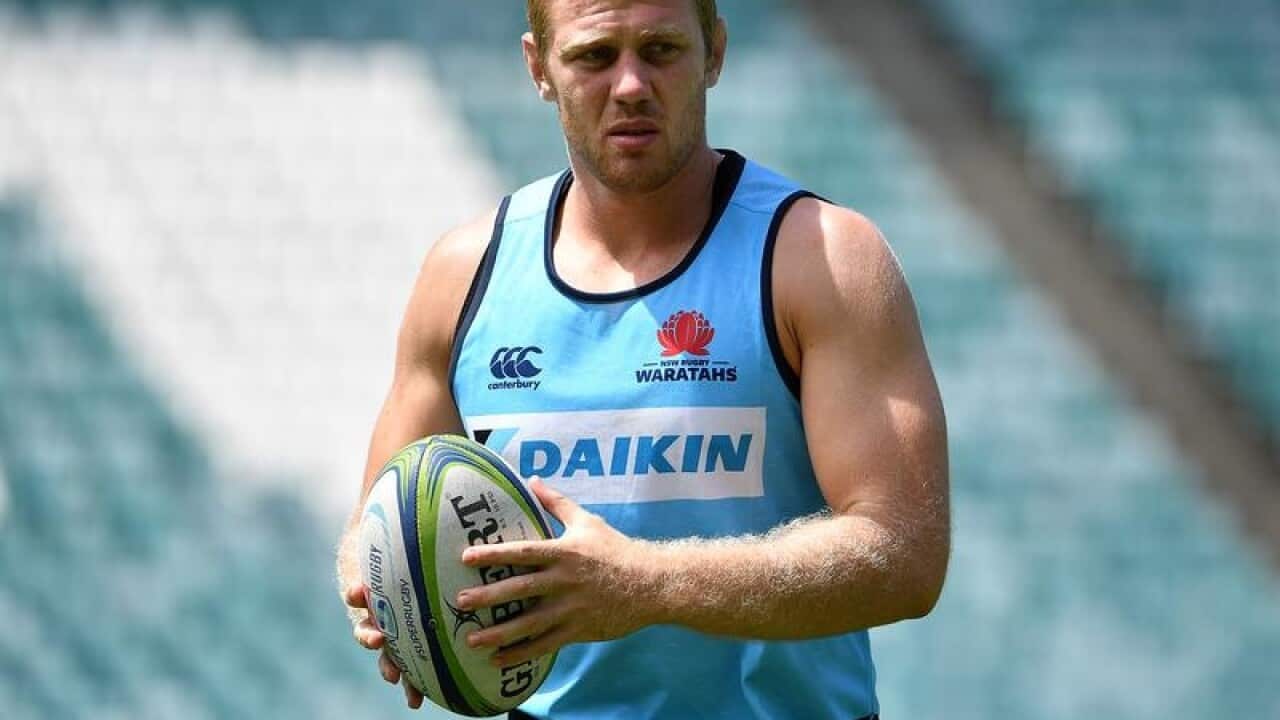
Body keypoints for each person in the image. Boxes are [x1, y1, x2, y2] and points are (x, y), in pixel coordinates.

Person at [337, 0, 950, 717]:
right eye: (594, 56)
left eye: (659, 50)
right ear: (538, 67)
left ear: (714, 52)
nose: (630, 84)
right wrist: (387, 602)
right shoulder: (464, 275)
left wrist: (646, 585)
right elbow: (379, 520)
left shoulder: (821, 259)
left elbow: (905, 556)